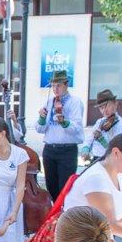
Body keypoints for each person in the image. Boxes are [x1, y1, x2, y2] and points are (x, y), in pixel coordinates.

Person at [34, 71, 85, 201]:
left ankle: (64, 216)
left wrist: (64, 122)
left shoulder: (75, 102)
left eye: (59, 85)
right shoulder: (49, 102)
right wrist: (41, 118)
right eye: (53, 86)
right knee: (51, 187)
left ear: (66, 85)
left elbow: (76, 128)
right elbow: (40, 129)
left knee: (65, 189)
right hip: (50, 149)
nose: (55, 89)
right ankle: (53, 218)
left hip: (67, 150)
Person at [86, 89, 122, 161]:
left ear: (115, 104)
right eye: (101, 108)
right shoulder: (99, 122)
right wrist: (86, 149)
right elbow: (90, 138)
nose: (105, 110)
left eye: (108, 105)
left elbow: (117, 149)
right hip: (96, 159)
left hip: (110, 160)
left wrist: (102, 139)